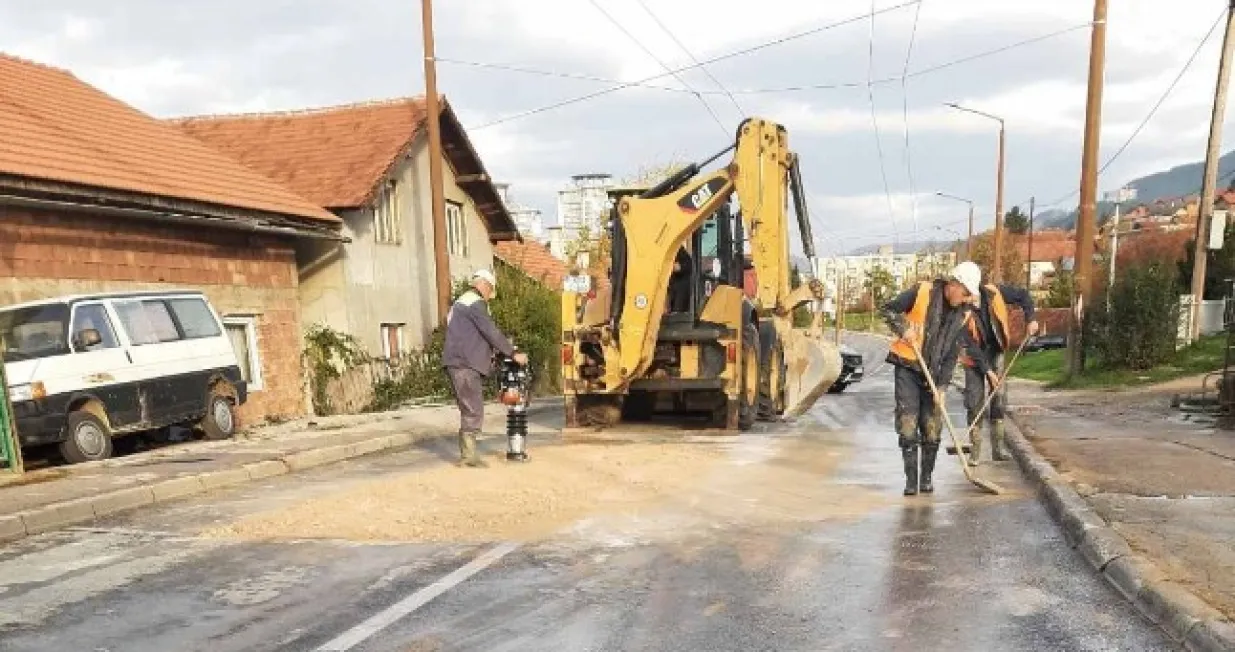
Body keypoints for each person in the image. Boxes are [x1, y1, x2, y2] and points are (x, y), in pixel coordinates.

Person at [881, 261, 997, 496]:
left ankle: (926, 479)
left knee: (932, 427)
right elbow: (887, 309)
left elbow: (953, 354)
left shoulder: (963, 315)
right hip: (908, 367)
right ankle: (911, 481)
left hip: (934, 374)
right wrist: (903, 328)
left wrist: (942, 386)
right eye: (964, 294)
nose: (965, 300)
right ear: (954, 284)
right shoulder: (922, 293)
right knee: (907, 424)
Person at [442, 269, 528, 468]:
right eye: (490, 290)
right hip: (465, 364)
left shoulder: (461, 303)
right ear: (484, 285)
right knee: (473, 409)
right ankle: (468, 457)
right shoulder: (474, 302)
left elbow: (473, 335)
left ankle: (468, 454)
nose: (490, 296)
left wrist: (494, 353)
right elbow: (490, 331)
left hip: (458, 362)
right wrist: (512, 353)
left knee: (468, 407)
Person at [959, 276, 1039, 464]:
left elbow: (1023, 296)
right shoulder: (959, 311)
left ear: (973, 289)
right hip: (974, 358)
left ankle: (998, 448)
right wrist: (987, 371)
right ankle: (975, 450)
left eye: (965, 293)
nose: (962, 298)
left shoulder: (995, 293)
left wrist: (1031, 319)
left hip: (996, 352)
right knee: (973, 401)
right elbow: (969, 345)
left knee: (998, 398)